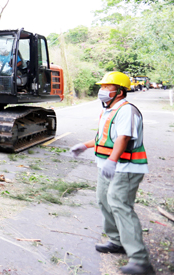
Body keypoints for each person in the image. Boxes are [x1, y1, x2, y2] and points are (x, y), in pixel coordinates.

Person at [70, 72, 153, 275]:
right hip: (109, 165)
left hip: (126, 167)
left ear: (120, 91)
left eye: (108, 87)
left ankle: (140, 260)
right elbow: (104, 138)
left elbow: (123, 139)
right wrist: (85, 145)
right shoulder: (109, 111)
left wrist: (112, 161)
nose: (102, 90)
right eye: (103, 86)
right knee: (104, 201)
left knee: (120, 205)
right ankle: (117, 241)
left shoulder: (127, 110)